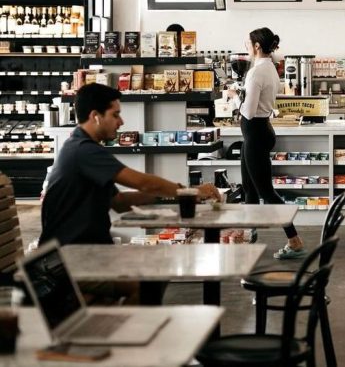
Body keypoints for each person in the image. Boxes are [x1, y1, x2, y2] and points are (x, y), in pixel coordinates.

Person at [40, 83, 221, 302]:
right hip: (68, 260)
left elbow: (119, 202)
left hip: (82, 254)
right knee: (146, 283)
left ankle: (117, 327)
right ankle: (126, 333)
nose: (121, 122)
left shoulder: (81, 147)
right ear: (95, 116)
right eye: (115, 114)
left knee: (159, 268)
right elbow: (144, 183)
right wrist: (190, 191)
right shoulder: (84, 150)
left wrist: (169, 195)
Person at [240, 27, 306, 259]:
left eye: (248, 44)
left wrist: (234, 96)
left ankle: (294, 240)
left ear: (257, 46)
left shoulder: (256, 72)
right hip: (260, 131)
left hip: (255, 133)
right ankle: (248, 235)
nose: (246, 48)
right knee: (248, 188)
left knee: (266, 192)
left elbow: (247, 111)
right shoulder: (270, 68)